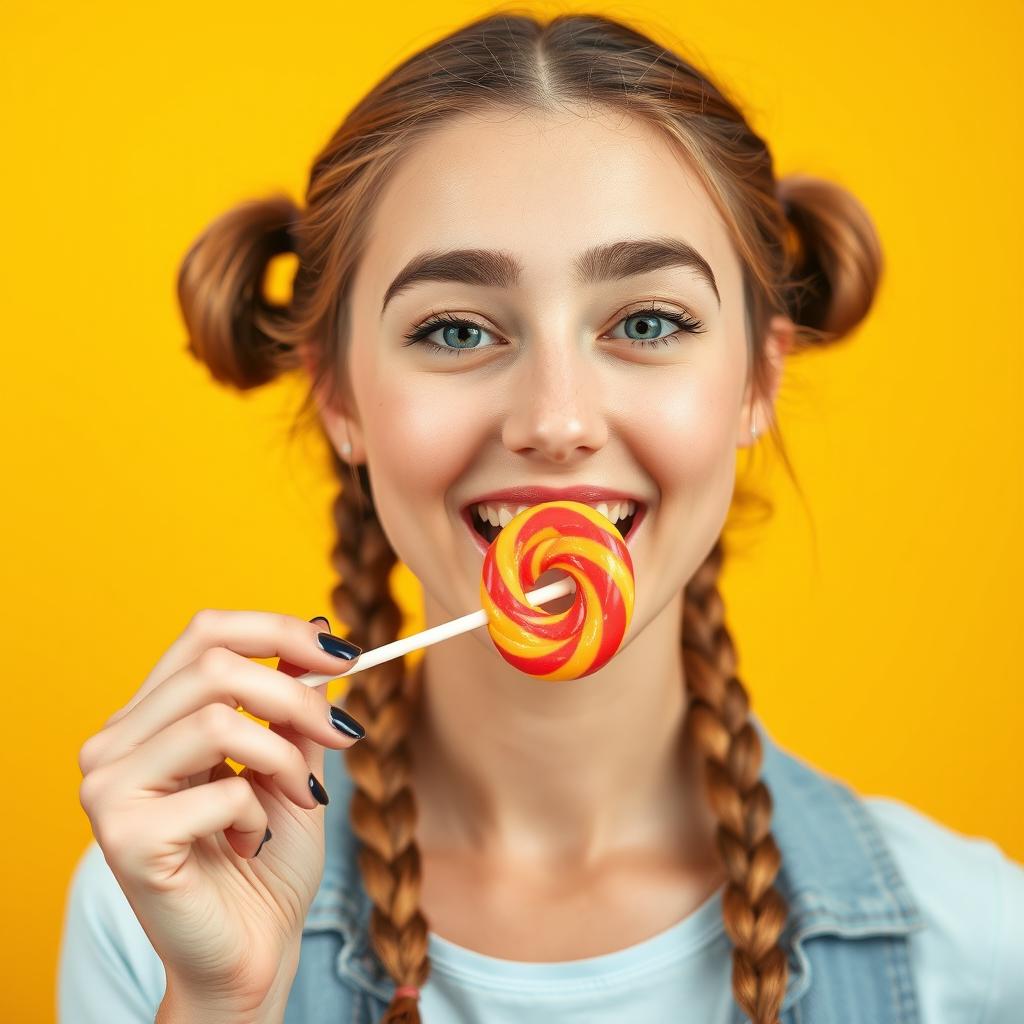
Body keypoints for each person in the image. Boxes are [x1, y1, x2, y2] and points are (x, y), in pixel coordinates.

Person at [59, 11, 1024, 1024]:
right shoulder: (160, 910)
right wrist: (222, 1004)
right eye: (456, 328)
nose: (556, 421)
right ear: (339, 394)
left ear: (756, 378)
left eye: (647, 322)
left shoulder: (975, 943)